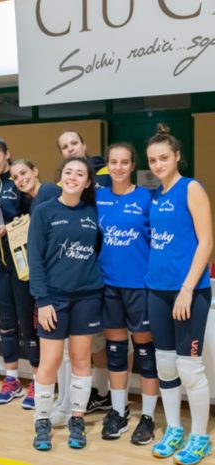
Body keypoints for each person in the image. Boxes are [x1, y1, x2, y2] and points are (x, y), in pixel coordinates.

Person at [145, 124, 213, 464]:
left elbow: (206, 242)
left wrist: (187, 289)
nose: (158, 165)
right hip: (156, 292)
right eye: (153, 160)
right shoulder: (156, 196)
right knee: (166, 366)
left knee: (190, 368)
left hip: (190, 293)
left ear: (177, 157)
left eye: (164, 158)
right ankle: (174, 429)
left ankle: (200, 437)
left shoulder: (191, 188)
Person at [29, 156, 104, 451]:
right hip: (53, 299)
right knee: (50, 362)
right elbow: (35, 260)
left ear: (87, 182)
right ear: (61, 177)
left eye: (80, 174)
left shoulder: (92, 212)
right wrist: (43, 300)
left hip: (87, 296)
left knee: (82, 361)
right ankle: (42, 420)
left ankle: (77, 419)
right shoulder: (45, 211)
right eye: (68, 172)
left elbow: (96, 250)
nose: (73, 177)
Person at [95, 143, 158, 444]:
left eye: (124, 162)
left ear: (132, 165)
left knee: (145, 353)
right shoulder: (98, 198)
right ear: (107, 165)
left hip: (140, 286)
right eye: (113, 162)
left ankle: (147, 417)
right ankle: (119, 411)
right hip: (108, 286)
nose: (118, 167)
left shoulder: (147, 198)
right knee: (116, 352)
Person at [54, 130, 112, 423]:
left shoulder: (104, 177)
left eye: (74, 143)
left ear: (84, 145)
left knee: (99, 343)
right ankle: (69, 402)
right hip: (71, 282)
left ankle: (103, 395)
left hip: (100, 278)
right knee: (73, 351)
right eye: (64, 147)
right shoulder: (62, 190)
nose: (70, 149)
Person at [0, 137, 37, 409]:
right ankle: (12, 380)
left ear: (7, 154)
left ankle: (38, 382)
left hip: (21, 262)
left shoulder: (19, 183)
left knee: (27, 323)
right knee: (6, 323)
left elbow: (32, 219)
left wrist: (11, 227)